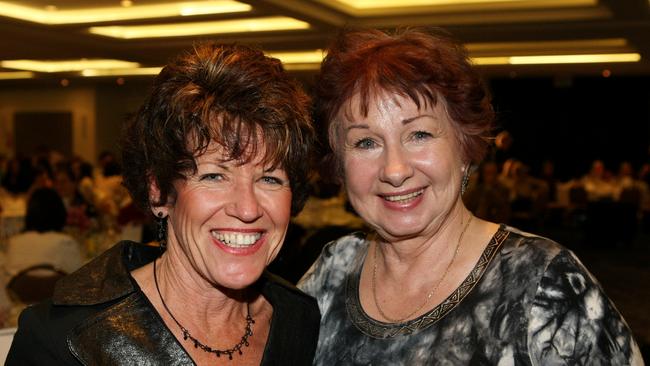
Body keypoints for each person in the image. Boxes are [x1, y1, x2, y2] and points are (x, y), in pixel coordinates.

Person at [298, 27, 643, 365]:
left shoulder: (543, 284)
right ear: (339, 165)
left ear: (465, 147)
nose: (394, 169)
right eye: (366, 142)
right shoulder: (333, 270)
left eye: (419, 134)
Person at [6, 42, 320, 365]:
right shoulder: (62, 344)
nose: (248, 208)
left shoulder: (300, 321)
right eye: (214, 176)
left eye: (270, 179)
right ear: (158, 191)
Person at [4, 187, 84, 277]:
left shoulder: (14, 243)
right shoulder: (66, 243)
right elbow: (79, 281)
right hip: (58, 290)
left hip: (18, 291)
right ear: (60, 213)